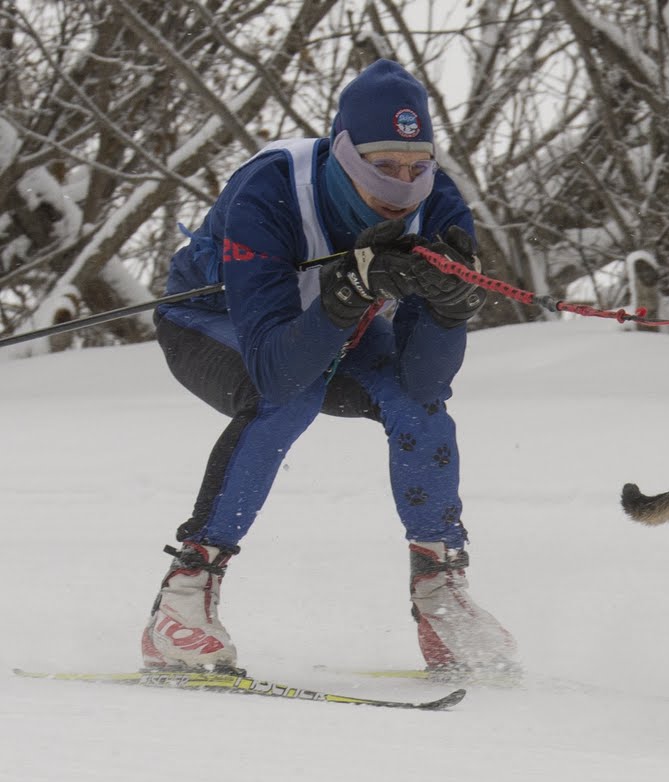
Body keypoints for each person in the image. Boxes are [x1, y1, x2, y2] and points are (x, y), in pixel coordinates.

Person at [144, 57, 517, 676]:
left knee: (416, 408)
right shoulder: (270, 189)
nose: (403, 186)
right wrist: (347, 290)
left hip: (340, 328)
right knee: (291, 398)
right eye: (383, 168)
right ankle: (183, 597)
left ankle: (440, 595)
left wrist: (448, 313)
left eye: (416, 167)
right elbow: (275, 369)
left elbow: (426, 381)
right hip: (216, 324)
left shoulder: (440, 203)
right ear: (345, 155)